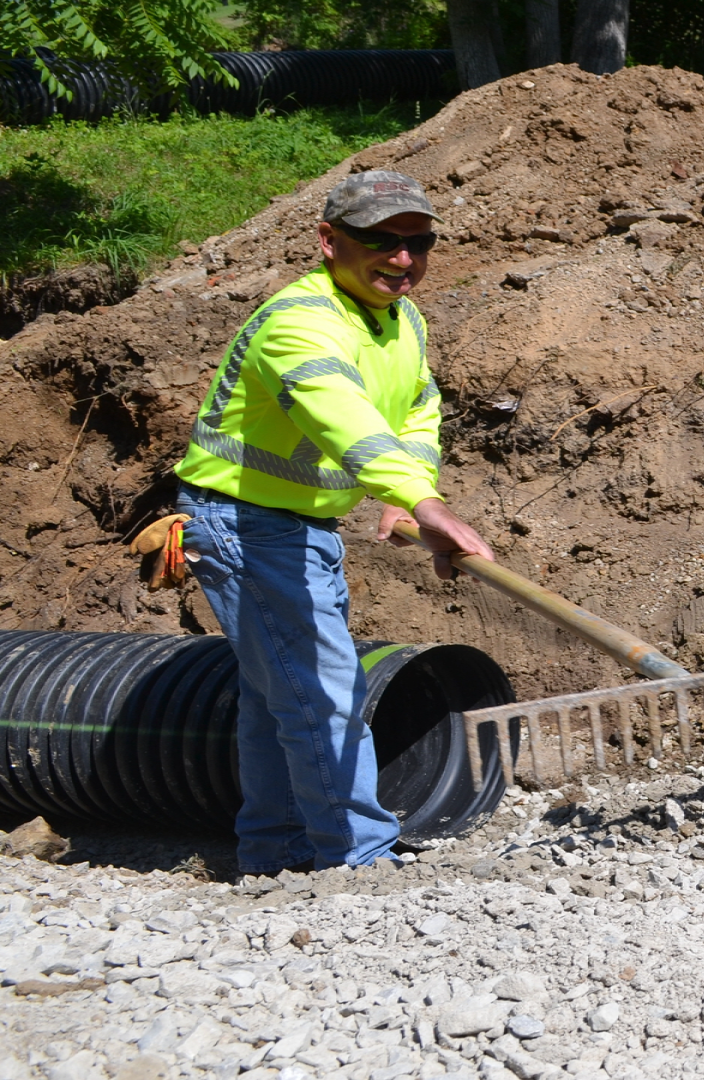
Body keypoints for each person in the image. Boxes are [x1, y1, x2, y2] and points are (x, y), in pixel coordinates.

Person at [173, 170, 495, 875]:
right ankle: (360, 860)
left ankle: (276, 856)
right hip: (241, 524)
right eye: (381, 241)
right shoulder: (299, 323)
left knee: (277, 697)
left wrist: (408, 494)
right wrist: (429, 506)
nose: (403, 259)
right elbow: (344, 423)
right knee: (324, 693)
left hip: (300, 527)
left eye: (419, 243)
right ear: (328, 240)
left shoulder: (402, 318)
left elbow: (416, 409)